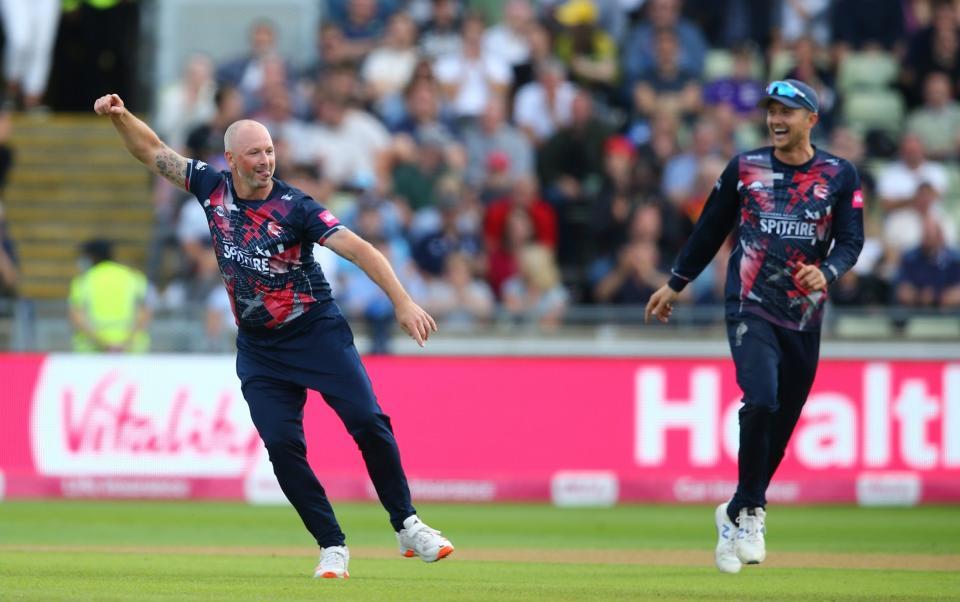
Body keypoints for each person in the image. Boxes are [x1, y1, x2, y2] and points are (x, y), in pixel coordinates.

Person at [93, 93, 454, 579]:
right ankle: (331, 545)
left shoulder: (296, 207)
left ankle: (408, 525)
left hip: (316, 332)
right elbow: (151, 150)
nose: (266, 161)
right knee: (282, 447)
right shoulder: (210, 188)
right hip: (260, 350)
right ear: (232, 160)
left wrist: (403, 301)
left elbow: (359, 248)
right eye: (255, 154)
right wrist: (120, 117)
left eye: (270, 151)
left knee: (369, 421)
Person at [645, 79, 864, 574]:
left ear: (812, 119)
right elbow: (710, 229)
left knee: (782, 423)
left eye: (787, 111)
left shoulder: (839, 173)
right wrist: (676, 282)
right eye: (771, 111)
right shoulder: (745, 168)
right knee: (761, 398)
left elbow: (852, 242)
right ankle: (753, 512)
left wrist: (826, 271)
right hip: (750, 306)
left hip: (804, 316)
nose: (776, 119)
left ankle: (737, 508)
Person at [68, 239, 152, 353]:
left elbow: (77, 317)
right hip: (131, 352)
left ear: (93, 256)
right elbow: (145, 313)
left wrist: (103, 343)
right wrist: (125, 342)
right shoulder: (133, 277)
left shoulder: (83, 281)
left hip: (92, 354)